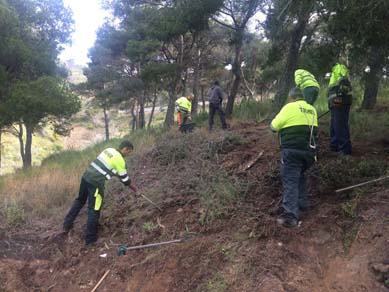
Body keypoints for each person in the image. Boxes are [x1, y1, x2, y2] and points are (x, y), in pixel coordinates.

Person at [63, 140, 137, 245]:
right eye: (129, 152)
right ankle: (90, 240)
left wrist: (114, 172)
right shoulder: (120, 160)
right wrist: (135, 189)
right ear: (125, 149)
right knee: (94, 209)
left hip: (86, 176)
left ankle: (66, 225)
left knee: (80, 200)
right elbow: (125, 180)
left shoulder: (109, 150)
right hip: (96, 183)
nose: (129, 154)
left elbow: (105, 166)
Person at [271, 87, 318, 227]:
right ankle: (303, 204)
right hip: (310, 154)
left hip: (292, 152)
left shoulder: (289, 107)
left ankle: (290, 217)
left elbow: (273, 126)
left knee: (290, 181)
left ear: (291, 98)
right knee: (301, 176)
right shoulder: (312, 109)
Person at [328, 63, 352, 155]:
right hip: (335, 105)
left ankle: (344, 149)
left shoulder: (339, 69)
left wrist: (338, 100)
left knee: (340, 126)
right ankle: (334, 146)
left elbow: (343, 88)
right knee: (334, 126)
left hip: (340, 104)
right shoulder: (334, 73)